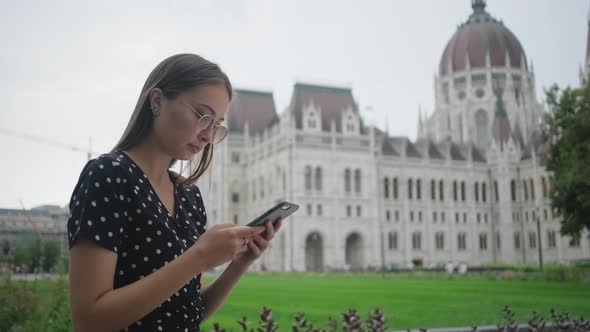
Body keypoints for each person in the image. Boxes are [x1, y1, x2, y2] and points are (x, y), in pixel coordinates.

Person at [67, 53, 283, 332]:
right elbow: (89, 321)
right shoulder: (109, 175)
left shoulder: (189, 197)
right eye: (203, 116)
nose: (208, 135)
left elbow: (187, 312)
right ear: (157, 101)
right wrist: (199, 257)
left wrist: (239, 264)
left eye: (216, 125)